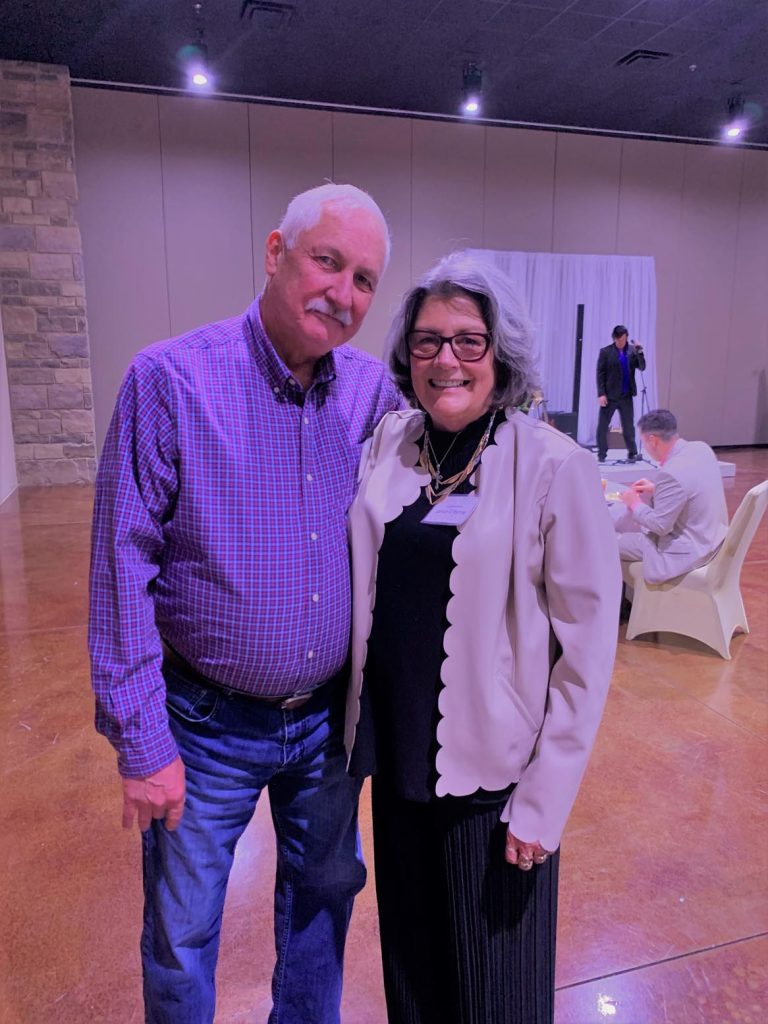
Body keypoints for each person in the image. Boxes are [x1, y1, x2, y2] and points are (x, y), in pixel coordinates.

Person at [88, 183, 402, 1024]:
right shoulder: (170, 381)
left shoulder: (373, 395)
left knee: (322, 909)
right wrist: (142, 741)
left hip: (327, 728)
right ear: (275, 253)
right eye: (327, 262)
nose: (342, 293)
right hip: (204, 725)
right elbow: (120, 565)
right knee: (182, 932)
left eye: (364, 280)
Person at [345, 252, 621, 1024]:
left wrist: (544, 800)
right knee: (414, 987)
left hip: (495, 791)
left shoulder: (552, 465)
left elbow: (587, 652)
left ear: (503, 354)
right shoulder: (393, 445)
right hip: (399, 769)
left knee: (496, 1000)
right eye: (427, 340)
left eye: (469, 340)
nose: (446, 360)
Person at [617, 409, 728, 583]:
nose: (644, 448)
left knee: (608, 541)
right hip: (711, 540)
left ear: (653, 440)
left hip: (687, 552)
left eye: (643, 442)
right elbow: (693, 487)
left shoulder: (671, 473)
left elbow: (660, 526)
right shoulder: (701, 448)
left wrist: (635, 503)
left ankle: (615, 597)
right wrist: (657, 489)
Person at [596, 325, 646, 462]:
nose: (621, 342)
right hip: (610, 396)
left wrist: (640, 351)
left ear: (626, 338)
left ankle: (632, 452)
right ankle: (602, 454)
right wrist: (601, 394)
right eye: (618, 340)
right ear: (614, 338)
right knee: (603, 426)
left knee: (628, 426)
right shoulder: (606, 352)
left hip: (626, 396)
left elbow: (642, 367)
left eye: (624, 339)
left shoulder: (632, 351)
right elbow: (600, 374)